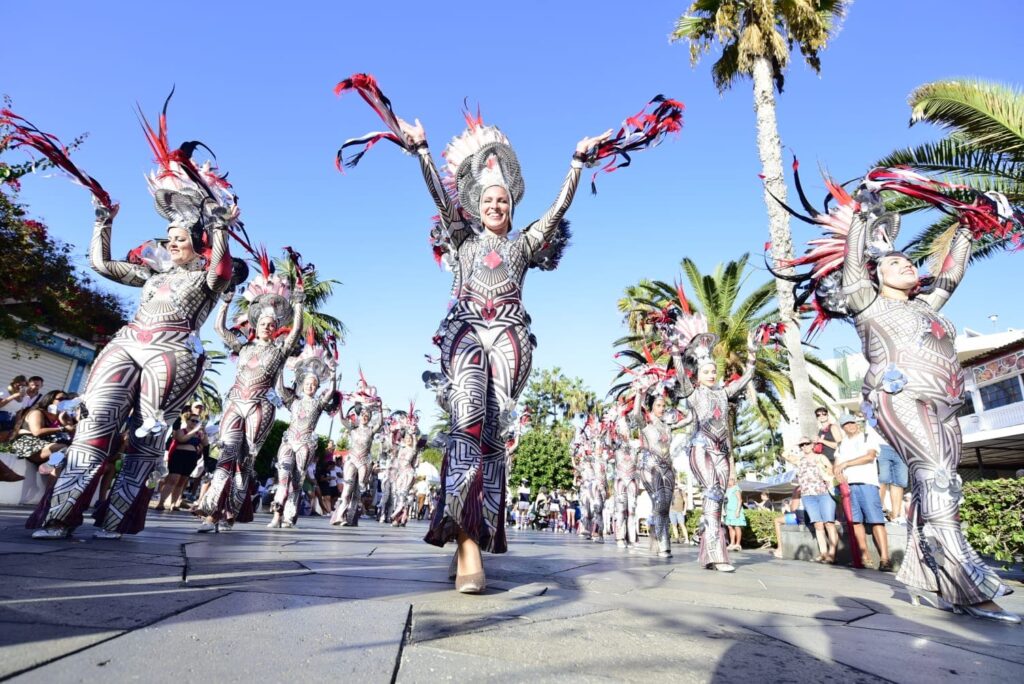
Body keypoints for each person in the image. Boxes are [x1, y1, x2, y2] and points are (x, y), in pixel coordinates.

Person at [781, 163, 1019, 623]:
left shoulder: (927, 304)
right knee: (934, 477)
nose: (906, 264)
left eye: (909, 261)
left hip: (948, 401)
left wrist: (970, 226)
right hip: (902, 399)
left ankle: (928, 578)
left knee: (941, 485)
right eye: (894, 262)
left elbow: (952, 272)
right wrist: (862, 218)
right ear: (875, 274)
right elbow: (854, 264)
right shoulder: (866, 305)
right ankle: (969, 589)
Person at [20, 101, 240, 540]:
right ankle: (59, 515)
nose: (173, 242)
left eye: (181, 238)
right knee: (95, 422)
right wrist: (103, 221)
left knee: (146, 433)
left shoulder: (209, 276)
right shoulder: (154, 272)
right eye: (170, 237)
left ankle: (117, 519)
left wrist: (219, 228)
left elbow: (218, 270)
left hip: (174, 350)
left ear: (197, 241)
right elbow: (102, 265)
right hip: (127, 342)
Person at [196, 267, 305, 533]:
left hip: (261, 406)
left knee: (245, 458)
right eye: (263, 323)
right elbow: (219, 328)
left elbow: (296, 331)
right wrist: (226, 300)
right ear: (255, 325)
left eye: (272, 324)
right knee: (227, 451)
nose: (267, 327)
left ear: (277, 328)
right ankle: (210, 513)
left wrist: (299, 306)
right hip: (235, 402)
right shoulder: (243, 347)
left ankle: (231, 511)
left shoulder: (281, 350)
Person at [660, 305, 760, 572]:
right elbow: (681, 376)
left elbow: (749, 375)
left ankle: (706, 546)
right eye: (706, 371)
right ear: (698, 374)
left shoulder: (724, 393)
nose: (712, 374)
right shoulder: (693, 394)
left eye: (714, 371)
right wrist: (675, 353)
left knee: (720, 497)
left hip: (722, 449)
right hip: (701, 449)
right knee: (713, 492)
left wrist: (752, 352)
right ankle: (717, 555)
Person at [268, 351, 339, 528]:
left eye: (314, 384)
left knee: (297, 481)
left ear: (316, 387)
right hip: (289, 440)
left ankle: (288, 516)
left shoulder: (319, 403)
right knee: (283, 477)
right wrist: (281, 366)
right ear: (302, 384)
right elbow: (280, 388)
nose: (310, 386)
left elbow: (331, 391)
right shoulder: (293, 401)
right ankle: (276, 515)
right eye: (307, 383)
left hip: (306, 443)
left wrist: (333, 373)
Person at [833, 414, 891, 570]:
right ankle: (865, 558)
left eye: (852, 422)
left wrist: (846, 464)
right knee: (856, 522)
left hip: (868, 483)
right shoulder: (841, 445)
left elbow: (870, 457)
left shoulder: (868, 437)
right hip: (849, 487)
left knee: (876, 520)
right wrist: (838, 475)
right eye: (846, 424)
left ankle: (885, 559)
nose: (851, 425)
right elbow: (836, 467)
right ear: (843, 428)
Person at [330, 396, 384, 527]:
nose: (365, 417)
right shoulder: (352, 428)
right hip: (352, 459)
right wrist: (340, 405)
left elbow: (380, 423)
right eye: (363, 414)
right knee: (347, 488)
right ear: (359, 415)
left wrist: (380, 408)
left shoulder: (371, 430)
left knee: (359, 488)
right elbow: (342, 420)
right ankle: (340, 516)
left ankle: (352, 517)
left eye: (368, 415)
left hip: (364, 461)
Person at [783, 437, 838, 563]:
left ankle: (832, 553)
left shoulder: (821, 457)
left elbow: (831, 471)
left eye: (806, 444)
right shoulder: (799, 460)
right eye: (801, 445)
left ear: (812, 444)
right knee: (818, 524)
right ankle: (823, 553)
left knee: (829, 523)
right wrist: (795, 443)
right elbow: (785, 454)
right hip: (808, 495)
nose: (804, 447)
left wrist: (825, 473)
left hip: (824, 493)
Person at [155, 413, 208, 511]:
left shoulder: (199, 434)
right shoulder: (181, 431)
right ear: (187, 421)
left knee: (182, 481)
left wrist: (204, 432)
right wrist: (195, 430)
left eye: (197, 421)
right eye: (193, 420)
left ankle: (174, 504)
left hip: (191, 458)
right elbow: (182, 439)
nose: (195, 423)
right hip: (179, 456)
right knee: (173, 479)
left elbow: (205, 443)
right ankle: (161, 503)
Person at [723, 477, 746, 551]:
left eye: (730, 480)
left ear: (733, 481)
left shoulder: (736, 488)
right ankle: (732, 543)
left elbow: (740, 500)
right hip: (728, 511)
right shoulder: (727, 490)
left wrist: (738, 511)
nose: (729, 482)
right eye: (728, 480)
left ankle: (738, 544)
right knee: (730, 527)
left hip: (735, 510)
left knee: (737, 527)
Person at [669, 477, 690, 545]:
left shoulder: (681, 491)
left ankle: (687, 539)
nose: (674, 485)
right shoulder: (670, 492)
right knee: (674, 525)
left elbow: (686, 501)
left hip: (680, 511)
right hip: (672, 511)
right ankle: (677, 539)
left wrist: (684, 510)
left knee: (682, 525)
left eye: (676, 484)